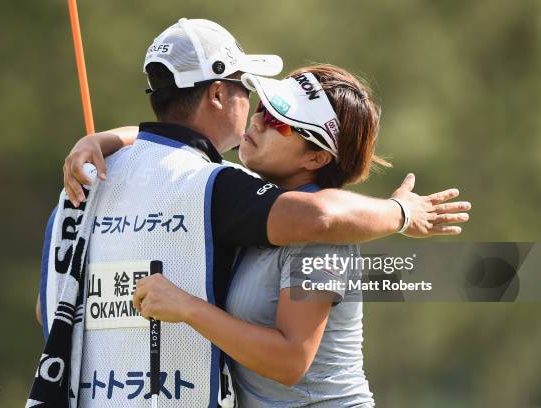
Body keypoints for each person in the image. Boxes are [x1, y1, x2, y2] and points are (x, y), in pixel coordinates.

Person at [38, 18, 470, 408]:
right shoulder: (248, 200)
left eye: (280, 122)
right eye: (264, 107)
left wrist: (187, 307)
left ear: (316, 159)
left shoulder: (324, 238)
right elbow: (173, 147)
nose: (258, 122)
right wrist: (102, 139)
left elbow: (289, 361)